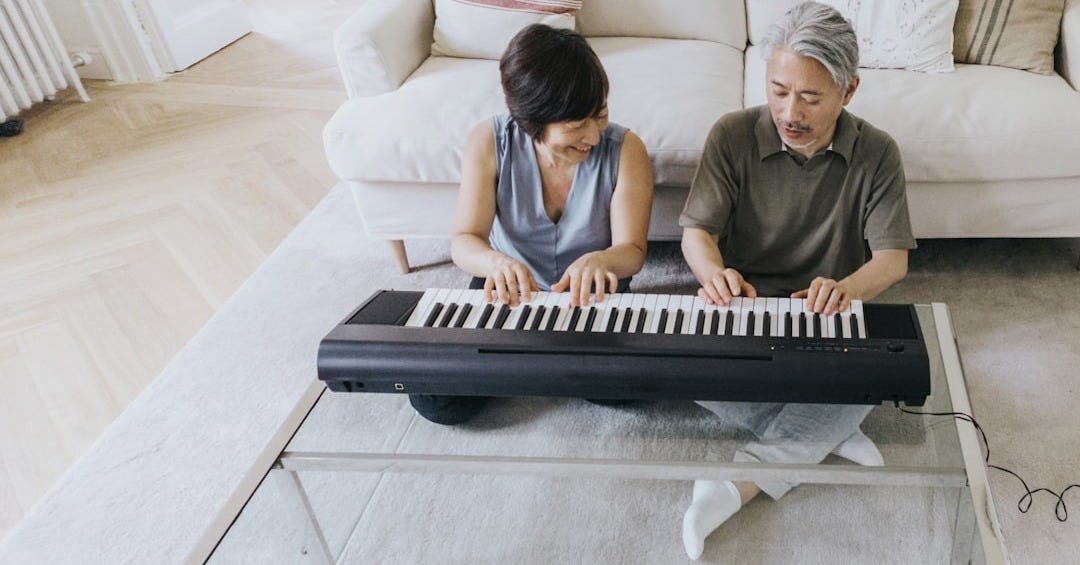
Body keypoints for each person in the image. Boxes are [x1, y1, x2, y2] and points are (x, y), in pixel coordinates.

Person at [677, 2, 916, 559]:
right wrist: (714, 276)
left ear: (848, 91)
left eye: (810, 97)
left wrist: (849, 288)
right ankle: (827, 433)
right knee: (683, 365)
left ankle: (735, 485)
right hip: (745, 311)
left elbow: (892, 259)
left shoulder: (877, 152)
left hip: (825, 316)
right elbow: (696, 234)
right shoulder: (733, 134)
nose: (789, 110)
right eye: (778, 89)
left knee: (882, 369)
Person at [408, 24, 654, 426]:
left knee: (634, 387)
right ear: (529, 121)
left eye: (601, 115)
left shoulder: (627, 149)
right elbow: (464, 240)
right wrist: (495, 264)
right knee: (437, 400)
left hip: (593, 291)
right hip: (508, 288)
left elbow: (632, 252)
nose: (593, 135)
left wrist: (603, 260)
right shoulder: (489, 140)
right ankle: (542, 360)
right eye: (576, 126)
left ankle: (526, 362)